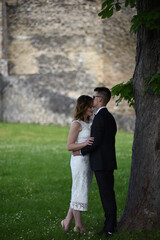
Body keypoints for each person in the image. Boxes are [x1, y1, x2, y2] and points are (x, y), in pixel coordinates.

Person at [74, 87, 117, 238]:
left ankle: (110, 228)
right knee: (108, 194)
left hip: (102, 163)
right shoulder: (109, 117)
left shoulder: (100, 117)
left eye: (93, 97)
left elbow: (96, 142)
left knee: (106, 196)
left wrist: (80, 151)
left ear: (100, 99)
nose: (92, 100)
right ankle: (111, 225)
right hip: (107, 162)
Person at [61, 95, 94, 233]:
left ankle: (67, 221)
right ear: (83, 107)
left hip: (88, 161)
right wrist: (84, 143)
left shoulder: (89, 123)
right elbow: (69, 146)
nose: (92, 109)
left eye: (92, 106)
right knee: (79, 190)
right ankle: (78, 225)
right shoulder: (77, 124)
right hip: (79, 161)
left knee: (79, 190)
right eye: (90, 106)